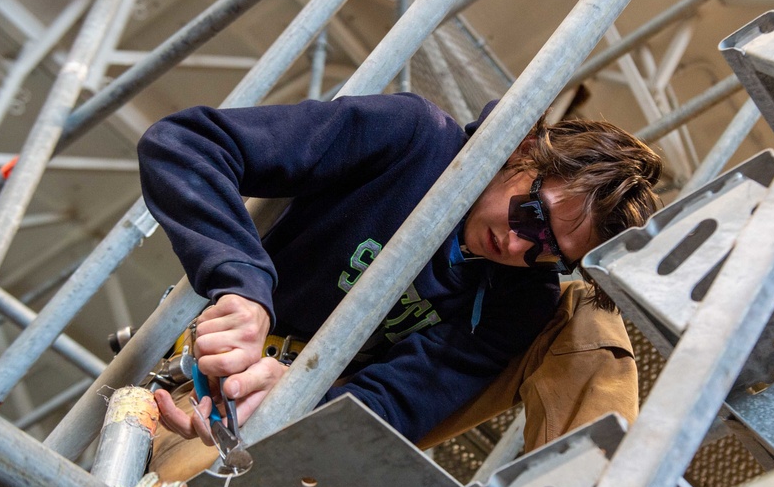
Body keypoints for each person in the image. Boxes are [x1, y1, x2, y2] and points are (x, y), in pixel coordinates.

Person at [137, 92, 662, 460]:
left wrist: (299, 398)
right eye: (533, 214)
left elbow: (397, 403)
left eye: (549, 252)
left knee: (588, 316)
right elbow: (185, 144)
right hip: (211, 370)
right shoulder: (414, 138)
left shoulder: (523, 296)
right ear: (525, 151)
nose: (518, 244)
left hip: (318, 401)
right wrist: (243, 286)